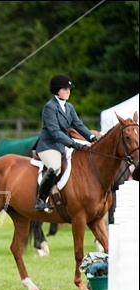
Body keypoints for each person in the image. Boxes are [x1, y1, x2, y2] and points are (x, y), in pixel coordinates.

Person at [34, 74, 97, 212]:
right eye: (65, 88)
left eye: (69, 88)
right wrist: (72, 143)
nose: (68, 91)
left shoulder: (69, 107)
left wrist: (92, 138)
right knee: (55, 167)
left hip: (62, 144)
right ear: (57, 91)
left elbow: (78, 125)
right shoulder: (49, 107)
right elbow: (54, 131)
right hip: (48, 145)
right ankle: (40, 200)